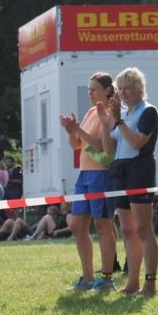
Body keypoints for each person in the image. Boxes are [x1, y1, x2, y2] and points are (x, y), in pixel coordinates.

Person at [97, 67, 158, 296]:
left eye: (127, 89)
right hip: (120, 170)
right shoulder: (122, 112)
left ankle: (150, 283)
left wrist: (119, 121)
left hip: (140, 169)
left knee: (143, 229)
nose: (122, 93)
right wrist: (106, 123)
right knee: (127, 230)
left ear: (138, 90)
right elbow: (108, 150)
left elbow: (135, 143)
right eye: (120, 89)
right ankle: (132, 283)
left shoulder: (148, 112)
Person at [58, 71, 119, 292]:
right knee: (76, 224)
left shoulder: (111, 112)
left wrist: (77, 130)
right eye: (88, 89)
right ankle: (88, 277)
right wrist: (70, 131)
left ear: (108, 91)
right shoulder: (92, 111)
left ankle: (107, 277)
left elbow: (101, 145)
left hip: (100, 174)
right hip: (84, 173)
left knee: (103, 225)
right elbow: (77, 144)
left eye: (94, 89)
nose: (90, 93)